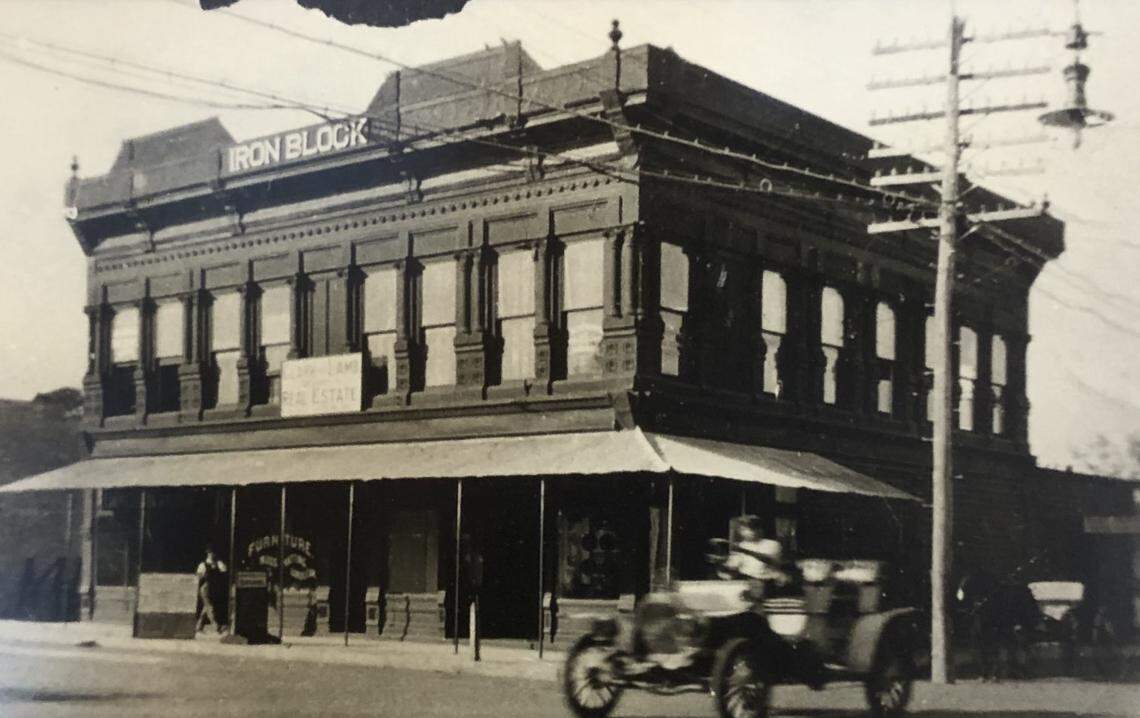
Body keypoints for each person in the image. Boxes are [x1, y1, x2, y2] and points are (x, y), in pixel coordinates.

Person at [195, 547, 228, 634]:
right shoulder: (203, 565)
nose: (212, 554)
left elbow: (224, 570)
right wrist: (204, 575)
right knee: (210, 607)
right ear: (207, 554)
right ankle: (216, 626)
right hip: (206, 588)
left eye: (213, 553)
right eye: (210, 553)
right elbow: (198, 576)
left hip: (215, 588)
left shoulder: (219, 563)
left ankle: (199, 626)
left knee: (206, 608)